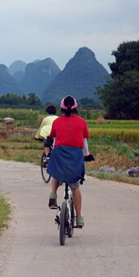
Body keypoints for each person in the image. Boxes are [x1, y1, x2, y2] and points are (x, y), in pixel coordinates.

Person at [46, 96, 95, 228]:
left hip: (59, 151)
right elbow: (84, 142)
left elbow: (55, 141)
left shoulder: (57, 122)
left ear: (61, 108)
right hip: (75, 154)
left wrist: (56, 152)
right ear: (75, 108)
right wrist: (87, 155)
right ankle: (79, 217)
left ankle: (53, 194)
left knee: (56, 173)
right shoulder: (82, 122)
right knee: (75, 186)